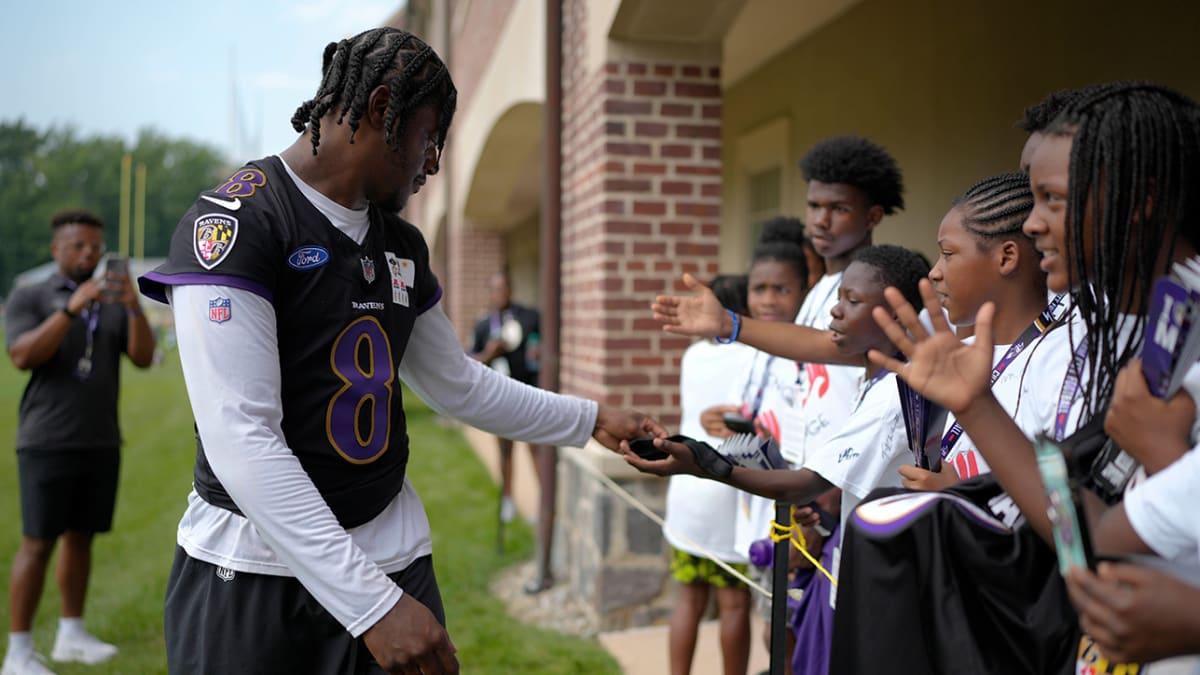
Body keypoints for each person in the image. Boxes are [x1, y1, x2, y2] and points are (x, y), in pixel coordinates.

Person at [136, 28, 659, 675]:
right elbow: (242, 438)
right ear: (381, 109)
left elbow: (458, 384)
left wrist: (592, 418)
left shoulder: (402, 244)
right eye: (429, 136)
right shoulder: (239, 221)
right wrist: (373, 606)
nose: (432, 163)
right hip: (252, 567)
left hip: (389, 547)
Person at [865, 83, 1200, 673]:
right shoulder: (1122, 331)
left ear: (1141, 198)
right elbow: (1078, 540)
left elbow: (1096, 537)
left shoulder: (1180, 342)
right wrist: (976, 407)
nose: (1033, 223)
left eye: (1053, 199)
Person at [627, 244, 930, 675]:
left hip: (877, 573)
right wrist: (728, 324)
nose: (834, 314)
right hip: (851, 551)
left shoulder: (890, 395)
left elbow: (802, 484)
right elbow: (808, 343)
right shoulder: (879, 367)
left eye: (852, 302)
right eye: (837, 298)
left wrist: (705, 464)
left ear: (896, 316)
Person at [2, 209, 156, 675]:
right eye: (78, 246)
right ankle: (18, 652)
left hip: (100, 438)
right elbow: (22, 355)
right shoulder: (31, 295)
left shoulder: (113, 299)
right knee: (37, 543)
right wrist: (72, 308)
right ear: (57, 250)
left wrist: (131, 303)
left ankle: (72, 634)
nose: (88, 254)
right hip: (46, 440)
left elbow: (145, 358)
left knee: (82, 539)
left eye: (95, 246)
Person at [662, 274, 754, 675]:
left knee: (688, 599)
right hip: (730, 489)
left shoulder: (693, 355)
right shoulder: (753, 355)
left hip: (686, 489)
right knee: (733, 603)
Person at [468, 271, 556, 594]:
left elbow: (546, 342)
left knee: (535, 449)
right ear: (489, 292)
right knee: (504, 451)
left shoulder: (529, 317)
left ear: (511, 289)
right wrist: (490, 352)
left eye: (504, 286)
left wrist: (537, 352)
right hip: (499, 401)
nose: (500, 292)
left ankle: (542, 502)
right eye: (495, 288)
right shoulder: (482, 326)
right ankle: (507, 499)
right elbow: (470, 362)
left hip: (527, 394)